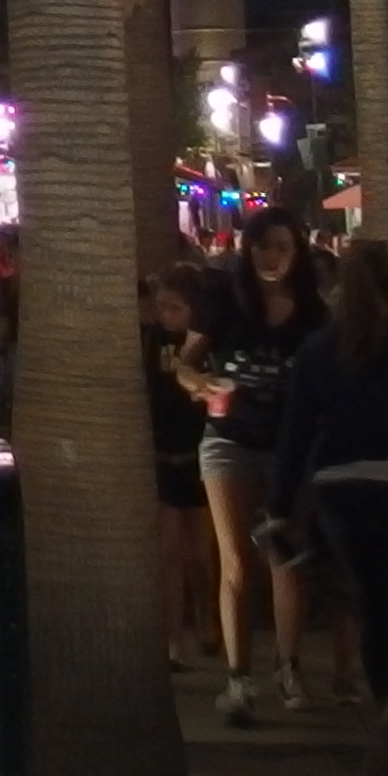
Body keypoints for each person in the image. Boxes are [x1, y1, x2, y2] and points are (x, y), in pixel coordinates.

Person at [271, 239, 388, 776]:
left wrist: (280, 506)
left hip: (343, 487)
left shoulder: (320, 349)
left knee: (375, 604)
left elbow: (296, 433)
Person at [178, 207, 324, 724]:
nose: (272, 257)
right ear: (249, 249)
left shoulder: (312, 312)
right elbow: (185, 363)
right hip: (229, 438)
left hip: (288, 446)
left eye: (283, 247)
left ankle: (289, 667)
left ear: (297, 253)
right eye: (263, 246)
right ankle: (238, 677)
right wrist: (201, 384)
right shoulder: (224, 299)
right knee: (236, 558)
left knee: (284, 553)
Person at [145, 265, 215, 669]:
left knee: (200, 553)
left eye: (175, 308)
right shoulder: (152, 340)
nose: (166, 315)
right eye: (162, 307)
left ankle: (207, 617)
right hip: (164, 453)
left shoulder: (205, 343)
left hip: (198, 454)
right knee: (169, 551)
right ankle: (173, 639)